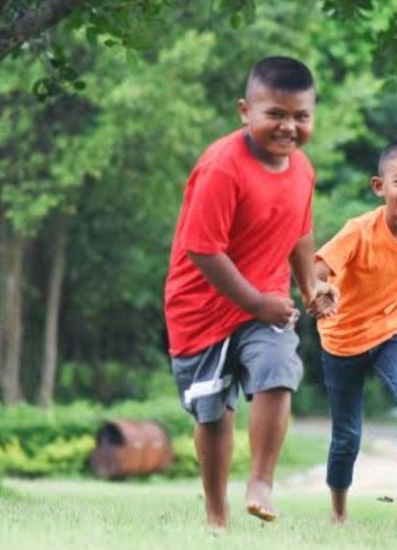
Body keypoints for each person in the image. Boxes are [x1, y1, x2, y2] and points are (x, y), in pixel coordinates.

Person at [163, 56, 336, 530]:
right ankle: (216, 514)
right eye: (275, 114)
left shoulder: (302, 169)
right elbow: (202, 250)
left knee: (278, 372)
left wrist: (309, 285)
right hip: (200, 308)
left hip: (266, 302)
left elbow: (300, 231)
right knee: (213, 411)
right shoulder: (223, 166)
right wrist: (256, 301)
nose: (288, 127)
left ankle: (261, 481)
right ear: (245, 111)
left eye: (301, 116)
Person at [314, 138, 397, 527]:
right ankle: (338, 514)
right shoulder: (359, 230)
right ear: (380, 186)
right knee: (347, 435)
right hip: (340, 338)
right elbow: (319, 267)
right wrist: (320, 290)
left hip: (391, 333)